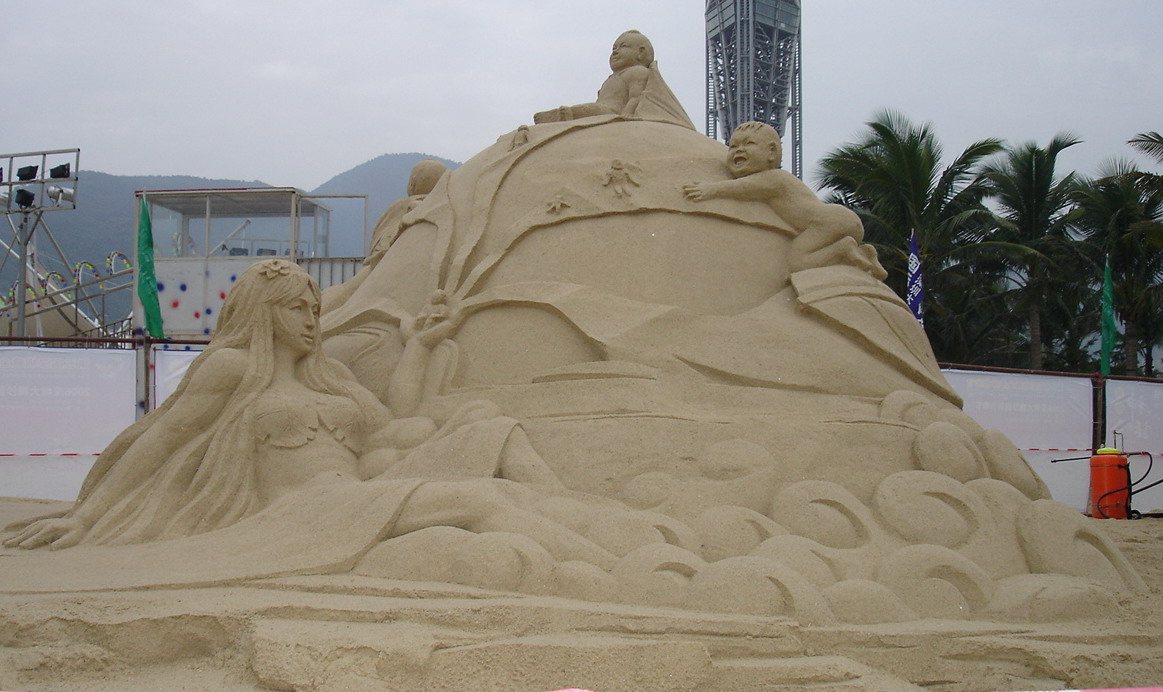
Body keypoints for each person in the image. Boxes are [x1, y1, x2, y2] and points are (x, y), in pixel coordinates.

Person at [4, 260, 626, 569]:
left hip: (357, 495)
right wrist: (88, 516)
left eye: (313, 309)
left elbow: (394, 422)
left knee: (498, 443)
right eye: (295, 309)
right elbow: (164, 438)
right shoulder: (233, 370)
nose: (310, 320)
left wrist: (420, 346)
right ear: (262, 311)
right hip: (301, 514)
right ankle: (617, 572)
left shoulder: (327, 374)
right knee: (482, 501)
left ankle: (614, 538)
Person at [683, 121, 884, 278]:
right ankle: (866, 253)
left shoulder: (774, 178)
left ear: (772, 152)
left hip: (826, 222)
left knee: (798, 262)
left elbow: (742, 188)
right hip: (842, 220)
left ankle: (844, 249)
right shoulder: (779, 179)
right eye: (732, 146)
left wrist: (709, 190)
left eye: (749, 143)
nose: (739, 150)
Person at [534, 30, 694, 130]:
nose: (615, 52)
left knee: (588, 110)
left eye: (623, 47)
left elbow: (636, 97)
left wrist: (627, 116)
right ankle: (561, 117)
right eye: (613, 48)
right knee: (588, 110)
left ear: (641, 53)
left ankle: (562, 115)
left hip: (613, 113)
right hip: (601, 111)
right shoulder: (611, 78)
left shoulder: (637, 72)